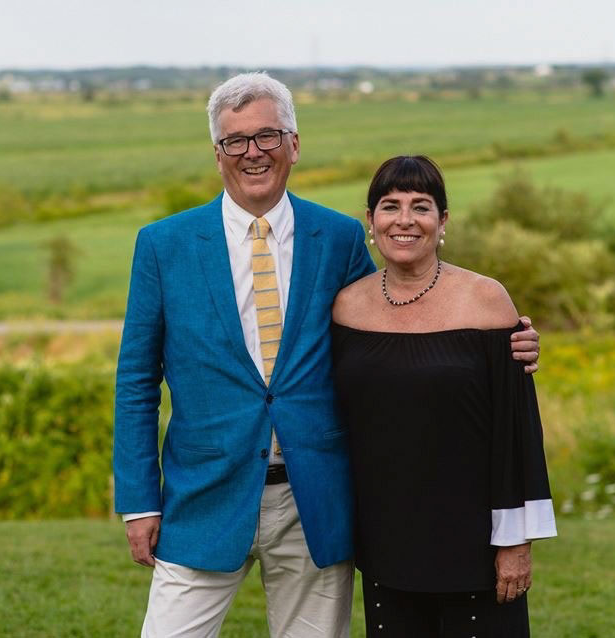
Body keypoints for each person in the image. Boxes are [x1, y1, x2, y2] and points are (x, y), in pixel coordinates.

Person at [114, 74, 542, 637]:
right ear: (218, 154)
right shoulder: (163, 245)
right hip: (202, 498)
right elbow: (137, 381)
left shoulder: (337, 238)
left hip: (314, 499)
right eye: (235, 141)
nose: (252, 153)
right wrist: (139, 500)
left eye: (267, 136)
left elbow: (399, 319)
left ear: (293, 144)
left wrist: (498, 340)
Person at [331, 155, 558, 637]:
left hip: (474, 543)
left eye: (422, 206)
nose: (405, 220)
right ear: (370, 221)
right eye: (390, 206)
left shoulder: (486, 300)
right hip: (385, 537)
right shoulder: (347, 307)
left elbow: (516, 429)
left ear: (443, 221)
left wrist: (515, 542)